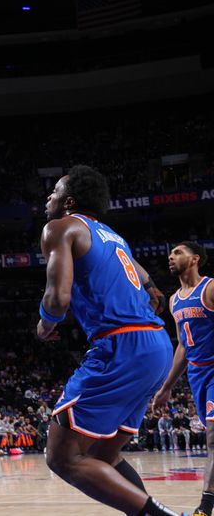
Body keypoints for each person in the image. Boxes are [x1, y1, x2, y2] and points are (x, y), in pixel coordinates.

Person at [37, 166, 183, 516]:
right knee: (103, 455)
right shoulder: (114, 237)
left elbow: (58, 298)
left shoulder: (60, 227)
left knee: (61, 456)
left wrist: (45, 325)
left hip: (122, 345)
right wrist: (149, 287)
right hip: (156, 344)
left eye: (54, 191)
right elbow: (146, 280)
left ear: (69, 201)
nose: (48, 198)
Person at [152, 241, 214, 516]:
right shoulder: (175, 299)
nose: (171, 256)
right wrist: (166, 387)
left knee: (213, 439)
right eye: (170, 253)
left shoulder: (210, 288)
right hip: (197, 374)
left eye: (178, 252)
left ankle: (205, 507)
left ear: (195, 259)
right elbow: (182, 347)